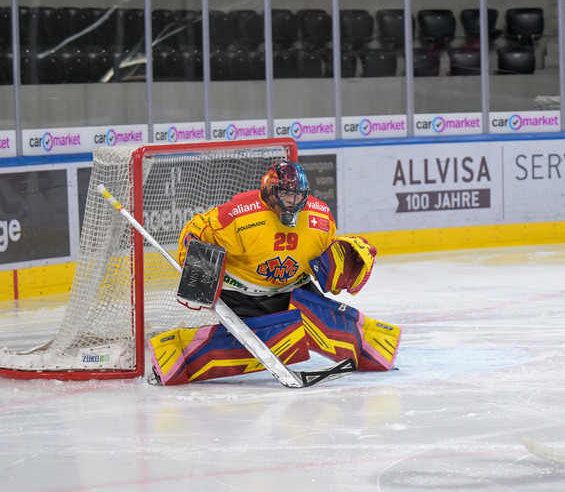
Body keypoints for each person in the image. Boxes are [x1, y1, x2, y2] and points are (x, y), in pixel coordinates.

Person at [148, 160, 400, 385]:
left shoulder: (320, 217)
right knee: (268, 341)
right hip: (241, 295)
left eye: (298, 196)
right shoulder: (240, 215)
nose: (293, 203)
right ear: (270, 192)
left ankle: (372, 349)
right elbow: (198, 229)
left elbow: (326, 260)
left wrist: (344, 265)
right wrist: (197, 269)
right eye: (286, 195)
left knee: (326, 324)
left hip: (293, 289)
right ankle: (177, 353)